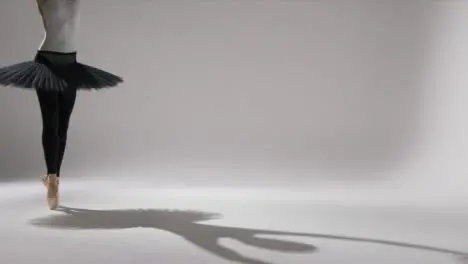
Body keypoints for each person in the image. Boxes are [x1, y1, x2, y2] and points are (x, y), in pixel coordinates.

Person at [0, 0, 123, 210]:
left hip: (71, 64)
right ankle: (53, 180)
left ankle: (53, 178)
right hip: (46, 62)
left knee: (63, 125)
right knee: (51, 121)